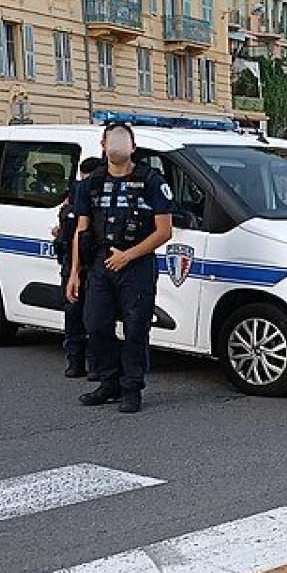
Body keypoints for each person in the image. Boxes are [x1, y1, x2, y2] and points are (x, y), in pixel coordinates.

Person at [66, 123, 173, 414]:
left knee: (136, 328)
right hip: (102, 262)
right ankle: (108, 382)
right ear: (103, 146)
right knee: (96, 324)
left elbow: (164, 231)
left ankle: (131, 388)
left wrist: (128, 256)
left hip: (136, 264)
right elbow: (81, 229)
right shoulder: (92, 182)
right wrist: (75, 272)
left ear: (132, 148)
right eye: (110, 141)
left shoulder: (151, 180)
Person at [53, 157, 102, 380]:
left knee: (93, 317)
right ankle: (76, 362)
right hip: (73, 263)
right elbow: (66, 229)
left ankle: (93, 365)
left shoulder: (101, 198)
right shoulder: (74, 196)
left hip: (92, 263)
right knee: (74, 314)